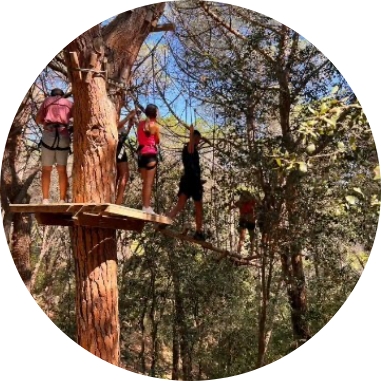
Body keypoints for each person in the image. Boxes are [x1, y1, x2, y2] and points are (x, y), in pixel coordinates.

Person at [161, 128, 206, 241]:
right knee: (188, 206)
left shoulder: (192, 150)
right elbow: (191, 144)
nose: (199, 142)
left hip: (192, 181)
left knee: (191, 207)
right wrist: (191, 132)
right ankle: (166, 221)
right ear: (194, 138)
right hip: (190, 182)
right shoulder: (189, 148)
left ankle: (198, 232)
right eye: (197, 139)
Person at [35, 88, 73, 204]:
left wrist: (46, 124)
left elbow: (38, 119)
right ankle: (62, 200)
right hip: (63, 134)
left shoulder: (47, 101)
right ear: (63, 95)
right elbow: (77, 119)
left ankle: (45, 199)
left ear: (52, 94)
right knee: (62, 170)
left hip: (49, 134)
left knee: (46, 169)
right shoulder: (69, 103)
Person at [137, 104, 160, 214]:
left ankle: (144, 206)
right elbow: (158, 140)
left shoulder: (140, 124)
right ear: (155, 113)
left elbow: (140, 137)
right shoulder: (155, 126)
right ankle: (147, 207)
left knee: (145, 183)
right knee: (149, 183)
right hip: (150, 154)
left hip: (141, 155)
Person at [115, 109, 139, 205]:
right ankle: (117, 202)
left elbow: (123, 135)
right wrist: (128, 116)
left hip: (119, 147)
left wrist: (129, 125)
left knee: (120, 175)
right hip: (117, 147)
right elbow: (115, 127)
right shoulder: (113, 115)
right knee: (123, 175)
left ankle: (117, 200)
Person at [233, 189, 257, 255]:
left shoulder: (252, 201)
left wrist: (255, 216)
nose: (245, 198)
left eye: (246, 196)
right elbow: (232, 206)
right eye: (243, 196)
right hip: (243, 221)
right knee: (242, 237)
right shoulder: (240, 202)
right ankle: (238, 252)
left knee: (251, 238)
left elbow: (258, 207)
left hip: (250, 222)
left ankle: (251, 253)